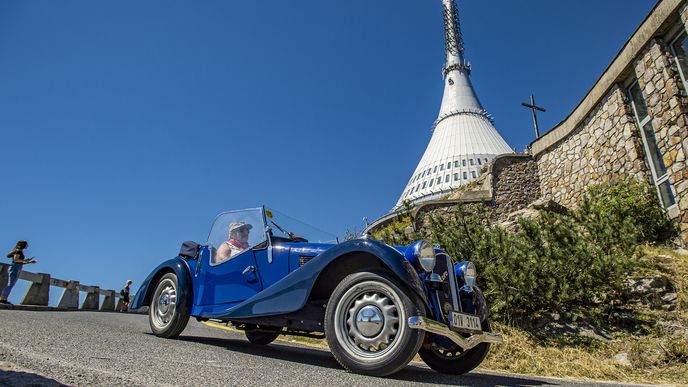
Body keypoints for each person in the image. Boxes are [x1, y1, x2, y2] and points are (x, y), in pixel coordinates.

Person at [1, 240, 37, 305]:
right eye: (26, 244)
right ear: (23, 245)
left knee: (11, 284)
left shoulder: (18, 251)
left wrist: (28, 261)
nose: (27, 246)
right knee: (10, 284)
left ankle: (4, 298)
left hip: (17, 267)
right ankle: (2, 299)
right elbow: (16, 260)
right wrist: (27, 261)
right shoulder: (18, 251)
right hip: (15, 267)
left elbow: (18, 261)